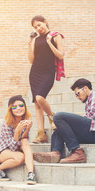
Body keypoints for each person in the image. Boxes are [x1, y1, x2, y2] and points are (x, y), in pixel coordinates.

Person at [33, 78, 95, 163]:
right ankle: (55, 153)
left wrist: (72, 123)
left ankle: (77, 152)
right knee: (58, 131)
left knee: (58, 117)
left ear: (85, 88)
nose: (77, 97)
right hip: (93, 132)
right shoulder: (88, 103)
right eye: (76, 95)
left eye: (77, 93)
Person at [28, 15, 65, 143]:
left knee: (40, 98)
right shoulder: (35, 40)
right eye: (35, 27)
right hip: (35, 73)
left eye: (39, 25)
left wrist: (49, 42)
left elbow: (60, 56)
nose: (38, 28)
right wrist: (30, 43)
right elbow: (31, 60)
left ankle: (52, 117)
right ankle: (41, 134)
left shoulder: (55, 36)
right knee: (37, 105)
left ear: (45, 22)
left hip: (48, 73)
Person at [0, 95, 37, 185]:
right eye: (14, 107)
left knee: (25, 142)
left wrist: (27, 128)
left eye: (21, 105)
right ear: (10, 110)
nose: (18, 108)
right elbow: (12, 147)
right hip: (3, 151)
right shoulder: (7, 123)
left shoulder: (25, 120)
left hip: (16, 147)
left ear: (25, 107)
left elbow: (24, 138)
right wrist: (17, 131)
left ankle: (31, 174)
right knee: (20, 157)